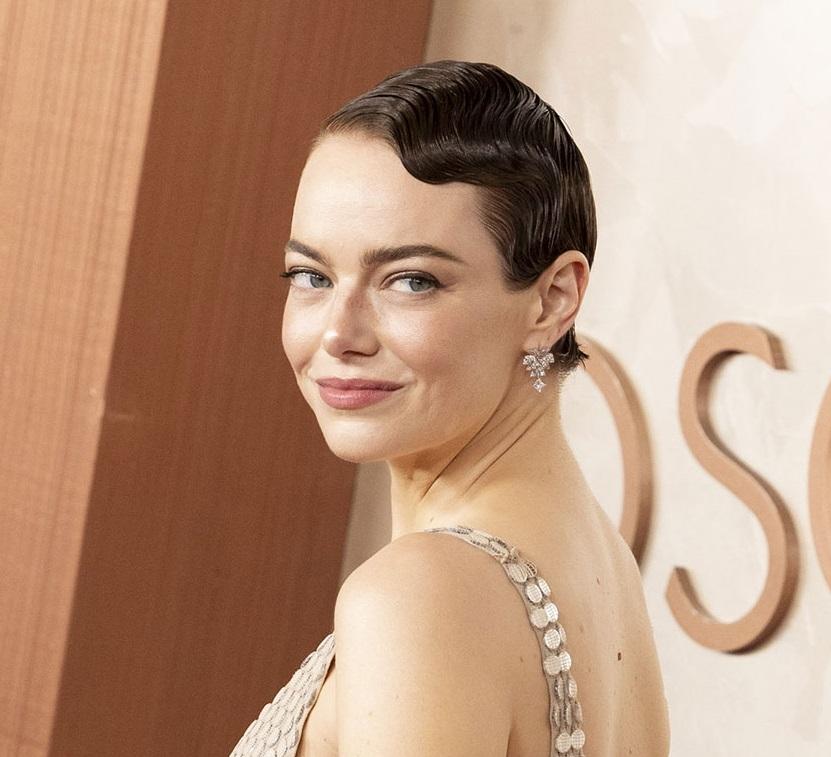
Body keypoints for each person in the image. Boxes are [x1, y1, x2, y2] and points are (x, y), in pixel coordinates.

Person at [230, 59, 670, 757]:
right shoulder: (596, 562)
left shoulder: (420, 597)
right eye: (311, 276)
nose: (339, 334)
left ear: (552, 299)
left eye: (410, 281)